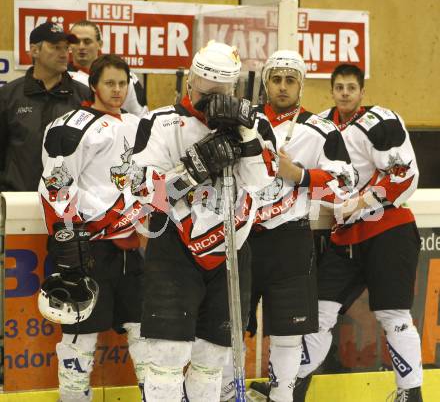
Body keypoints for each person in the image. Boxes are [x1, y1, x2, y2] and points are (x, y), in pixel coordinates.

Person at [130, 40, 278, 402]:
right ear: (189, 84)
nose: (213, 103)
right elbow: (139, 188)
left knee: (213, 358)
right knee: (166, 357)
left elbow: (264, 181)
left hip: (232, 246)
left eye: (222, 94)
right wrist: (189, 172)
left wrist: (245, 136)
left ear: (235, 89)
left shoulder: (255, 123)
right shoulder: (160, 122)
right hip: (175, 247)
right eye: (206, 93)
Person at [220, 51, 354, 402]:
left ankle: (281, 397)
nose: (282, 86)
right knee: (225, 327)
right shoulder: (239, 123)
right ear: (265, 83)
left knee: (288, 334)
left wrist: (302, 175)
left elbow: (345, 184)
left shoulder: (320, 130)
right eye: (276, 79)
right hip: (240, 238)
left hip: (290, 241)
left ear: (301, 85)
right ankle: (221, 395)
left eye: (290, 80)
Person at [294, 64, 423, 402]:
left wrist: (364, 200)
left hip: (388, 232)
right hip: (344, 238)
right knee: (317, 314)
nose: (346, 93)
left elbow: (403, 173)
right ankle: (291, 387)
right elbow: (304, 174)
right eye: (340, 87)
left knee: (393, 316)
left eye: (352, 87)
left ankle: (411, 394)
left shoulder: (380, 121)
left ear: (362, 92)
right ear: (332, 91)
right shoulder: (318, 126)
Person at [38, 54, 148, 402]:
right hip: (90, 250)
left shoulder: (138, 124)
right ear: (94, 85)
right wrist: (66, 240)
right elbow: (56, 184)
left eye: (122, 83)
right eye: (109, 83)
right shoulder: (71, 126)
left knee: (146, 337)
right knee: (79, 340)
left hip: (133, 250)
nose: (117, 90)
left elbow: (153, 178)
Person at [0, 21, 90, 191]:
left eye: (66, 48)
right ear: (34, 50)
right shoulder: (8, 96)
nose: (64, 54)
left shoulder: (83, 97)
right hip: (17, 201)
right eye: (56, 47)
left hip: (68, 203)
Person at [68, 19, 148, 117]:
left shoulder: (124, 76)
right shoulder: (60, 77)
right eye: (76, 41)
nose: (81, 46)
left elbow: (140, 117)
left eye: (87, 41)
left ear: (100, 44)